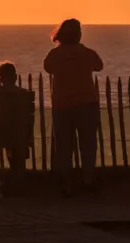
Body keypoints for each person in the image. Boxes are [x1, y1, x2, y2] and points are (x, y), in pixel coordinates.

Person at [43, 19, 103, 195]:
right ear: (79, 34)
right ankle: (88, 180)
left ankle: (65, 183)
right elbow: (99, 66)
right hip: (87, 103)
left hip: (62, 105)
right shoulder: (87, 53)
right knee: (88, 145)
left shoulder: (54, 55)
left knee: (63, 146)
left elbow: (48, 68)